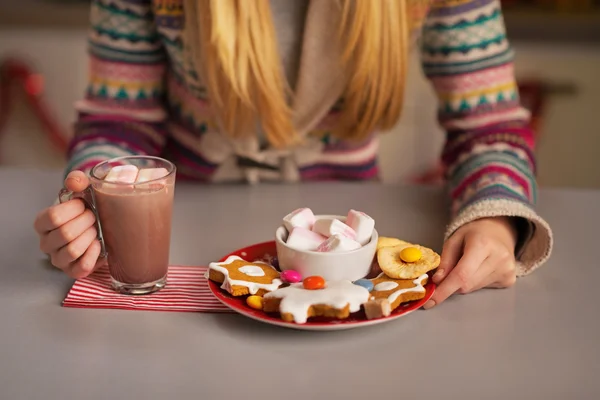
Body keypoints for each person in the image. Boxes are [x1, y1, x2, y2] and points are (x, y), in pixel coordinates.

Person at [33, 0, 553, 309]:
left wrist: (498, 218)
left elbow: (489, 126)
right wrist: (95, 200)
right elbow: (118, 120)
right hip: (179, 240)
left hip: (352, 251)